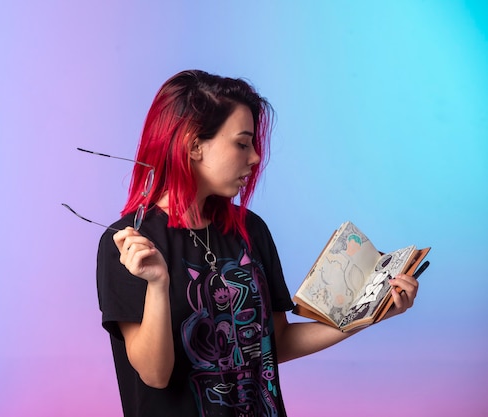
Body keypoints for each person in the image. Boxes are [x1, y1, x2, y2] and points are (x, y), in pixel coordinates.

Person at [94, 70, 418, 417]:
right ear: (193, 145)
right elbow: (155, 375)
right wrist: (157, 284)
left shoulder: (250, 230)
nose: (255, 157)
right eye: (242, 143)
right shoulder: (129, 245)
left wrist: (371, 313)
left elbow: (276, 341)